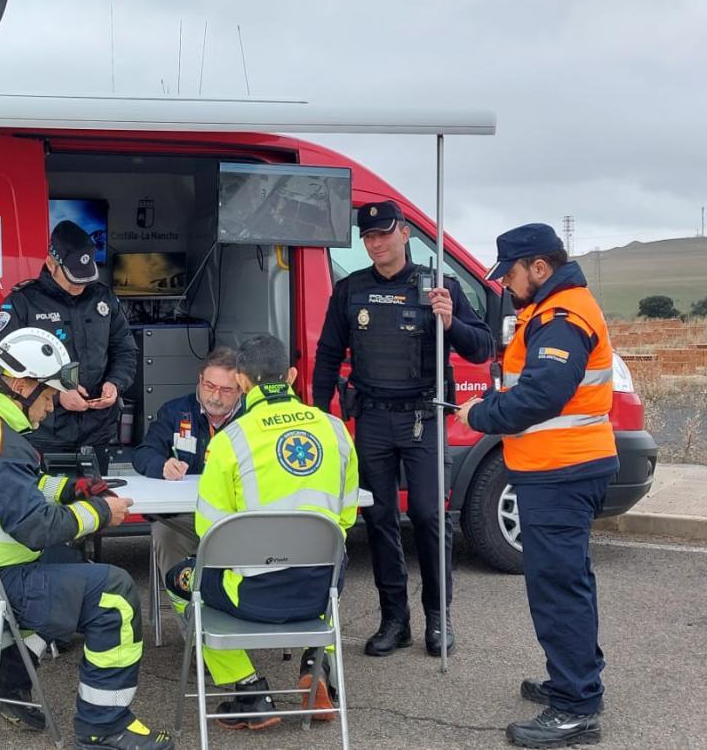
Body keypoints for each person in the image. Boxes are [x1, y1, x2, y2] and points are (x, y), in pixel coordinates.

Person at [0, 326, 172, 749]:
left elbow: (21, 488)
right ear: (20, 385)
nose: (52, 406)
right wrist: (100, 512)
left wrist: (75, 488)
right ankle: (104, 725)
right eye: (48, 395)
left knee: (72, 569)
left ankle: (7, 680)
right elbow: (36, 528)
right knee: (113, 593)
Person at [310, 201, 493, 657]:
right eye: (368, 237)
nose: (376, 243)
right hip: (371, 418)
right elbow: (329, 355)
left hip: (423, 417)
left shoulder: (439, 287)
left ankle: (438, 618)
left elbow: (482, 348)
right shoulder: (350, 290)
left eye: (384, 234)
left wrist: (450, 321)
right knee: (379, 520)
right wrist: (320, 414)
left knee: (431, 518)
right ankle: (395, 620)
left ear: (405, 233)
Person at [457, 223, 612, 748]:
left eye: (513, 274)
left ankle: (575, 708)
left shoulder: (562, 317)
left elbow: (541, 396)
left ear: (539, 268)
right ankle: (576, 680)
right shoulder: (551, 311)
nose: (507, 285)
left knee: (557, 587)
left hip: (561, 471)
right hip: (558, 468)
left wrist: (481, 413)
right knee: (568, 580)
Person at [161, 335, 359, 729]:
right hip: (318, 591)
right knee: (333, 565)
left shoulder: (232, 440)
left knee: (180, 578)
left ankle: (250, 690)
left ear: (243, 382)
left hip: (251, 593)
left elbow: (209, 530)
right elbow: (346, 517)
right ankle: (315, 667)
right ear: (291, 375)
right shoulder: (336, 430)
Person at [0, 220, 138, 454]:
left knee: (95, 491)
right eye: (72, 278)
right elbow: (0, 368)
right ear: (51, 263)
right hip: (43, 434)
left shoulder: (103, 299)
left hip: (98, 432)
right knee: (45, 491)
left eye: (84, 278)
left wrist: (115, 383)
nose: (79, 285)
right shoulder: (23, 302)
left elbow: (125, 350)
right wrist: (58, 395)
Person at [131, 348, 244, 595]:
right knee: (164, 533)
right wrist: (162, 465)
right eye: (209, 385)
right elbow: (143, 453)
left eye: (226, 390)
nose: (215, 396)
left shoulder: (252, 417)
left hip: (238, 514)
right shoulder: (175, 411)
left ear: (241, 388)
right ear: (200, 379)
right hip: (186, 518)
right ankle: (191, 622)